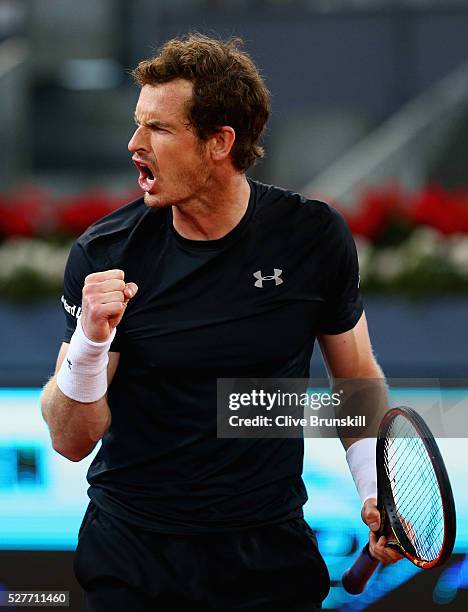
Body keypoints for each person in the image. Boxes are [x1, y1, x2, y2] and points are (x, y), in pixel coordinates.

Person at [41, 34, 402, 612]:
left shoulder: (313, 236)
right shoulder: (103, 253)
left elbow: (354, 376)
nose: (134, 145)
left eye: (158, 129)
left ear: (219, 142)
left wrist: (373, 487)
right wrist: (88, 343)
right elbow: (69, 439)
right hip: (134, 558)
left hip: (268, 556)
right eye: (137, 124)